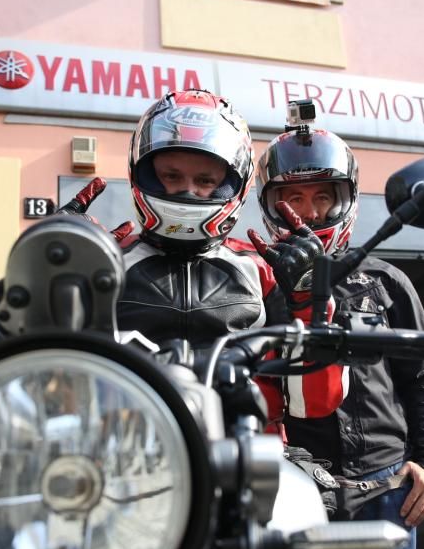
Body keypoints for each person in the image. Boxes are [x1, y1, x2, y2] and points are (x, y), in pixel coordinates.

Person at [255, 125, 424, 549]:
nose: (308, 211)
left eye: (322, 197)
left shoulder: (388, 281)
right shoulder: (257, 284)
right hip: (296, 494)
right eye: (293, 197)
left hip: (388, 490)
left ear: (345, 198)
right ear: (270, 204)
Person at [109, 88, 345, 425]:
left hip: (247, 446)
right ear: (142, 172)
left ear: (235, 183)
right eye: (171, 176)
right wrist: (52, 266)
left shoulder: (264, 271)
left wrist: (310, 301)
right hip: (131, 442)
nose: (188, 190)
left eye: (206, 180)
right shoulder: (109, 262)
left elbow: (312, 403)